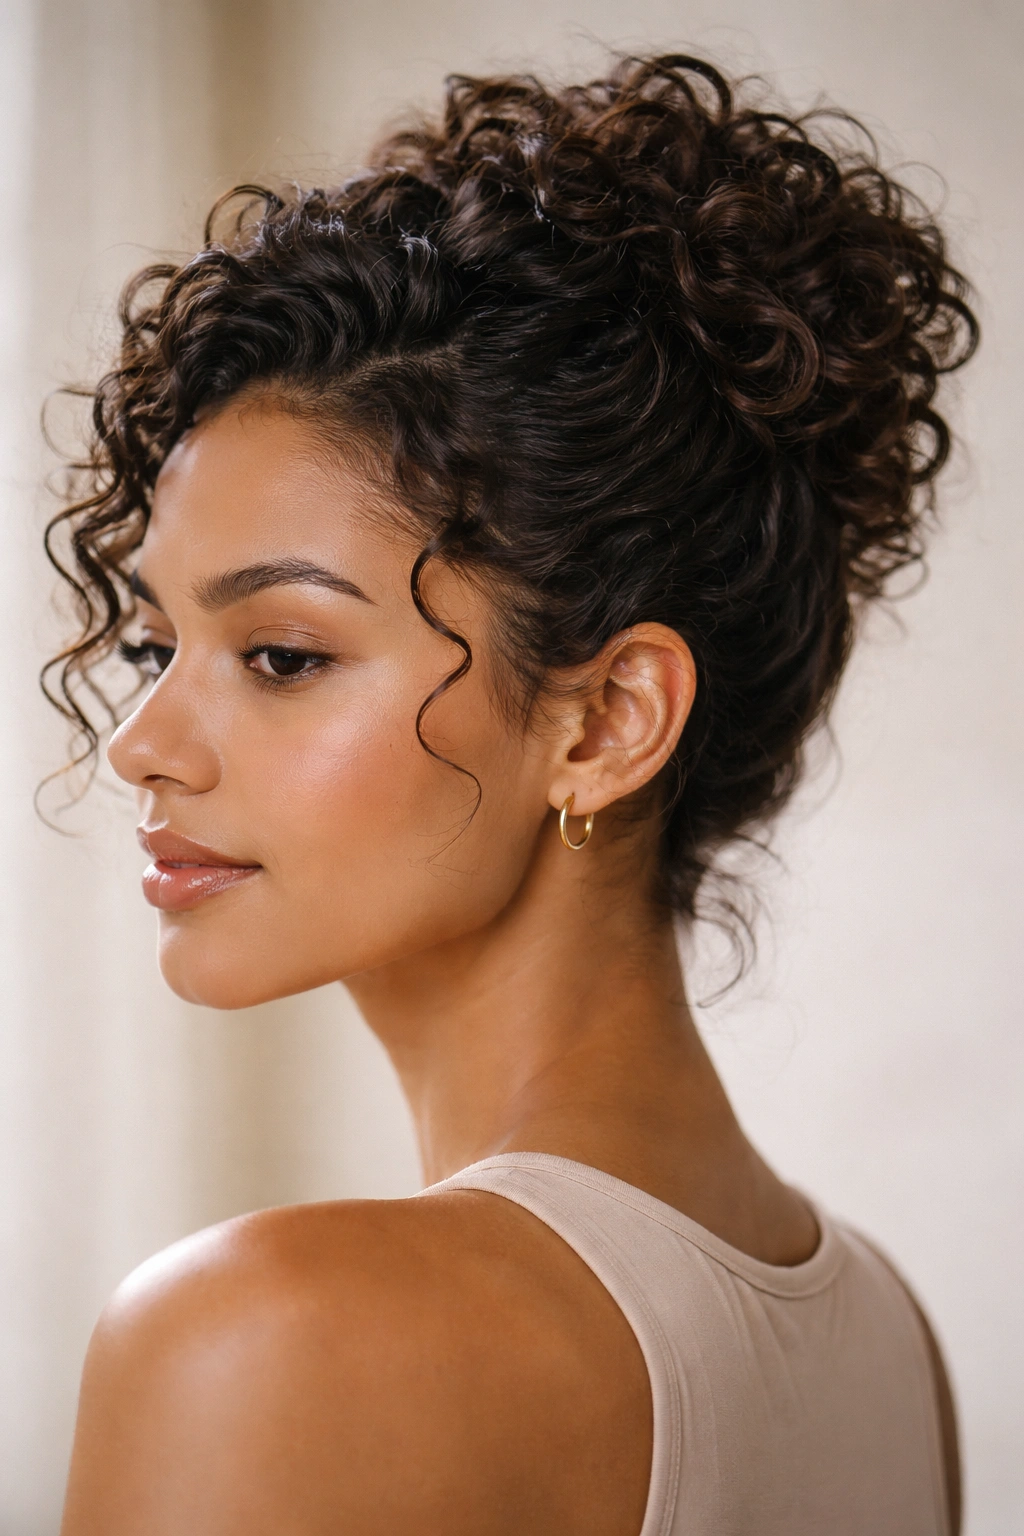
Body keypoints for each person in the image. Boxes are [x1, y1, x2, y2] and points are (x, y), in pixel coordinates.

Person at [48, 54, 976, 1536]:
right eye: (162, 642)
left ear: (607, 721)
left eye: (281, 654)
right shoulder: (882, 1334)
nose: (143, 742)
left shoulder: (265, 1339)